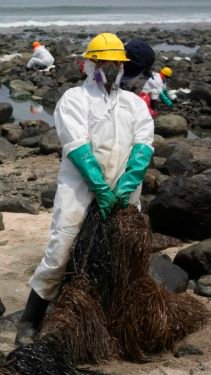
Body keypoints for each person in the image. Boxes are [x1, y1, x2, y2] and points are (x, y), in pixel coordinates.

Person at [15, 33, 155, 346]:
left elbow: (143, 146)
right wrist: (100, 189)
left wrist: (126, 185)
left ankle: (110, 318)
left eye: (114, 63)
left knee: (120, 254)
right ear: (89, 64)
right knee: (60, 250)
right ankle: (29, 320)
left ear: (122, 66)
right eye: (102, 62)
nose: (108, 68)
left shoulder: (134, 104)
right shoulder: (74, 100)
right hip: (79, 187)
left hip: (124, 191)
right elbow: (77, 147)